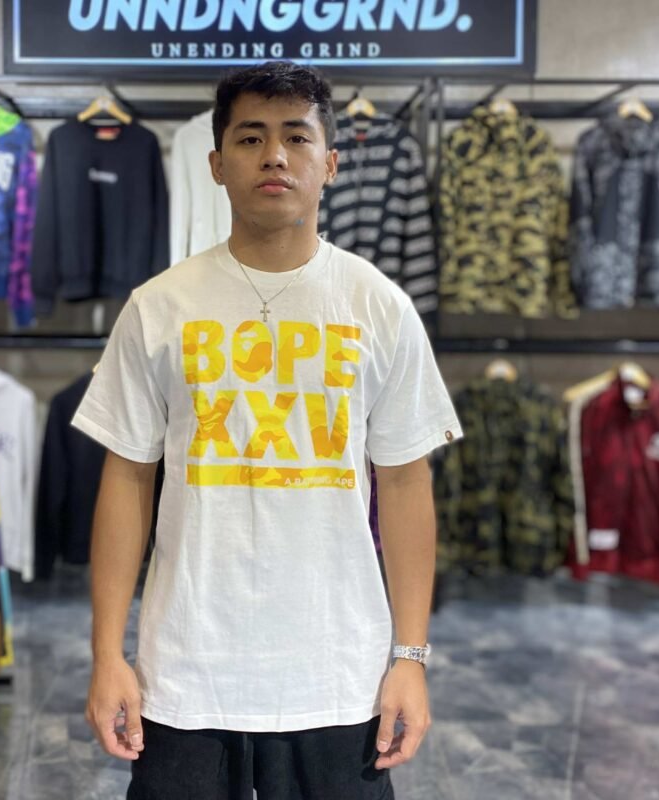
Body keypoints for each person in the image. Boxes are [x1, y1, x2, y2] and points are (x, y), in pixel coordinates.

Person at [72, 60, 462, 800]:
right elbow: (127, 477)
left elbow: (406, 483)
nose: (275, 156)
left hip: (339, 675)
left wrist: (409, 658)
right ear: (217, 165)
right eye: (250, 138)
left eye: (297, 137)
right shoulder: (158, 307)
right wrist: (106, 655)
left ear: (331, 163)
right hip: (184, 673)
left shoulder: (378, 306)